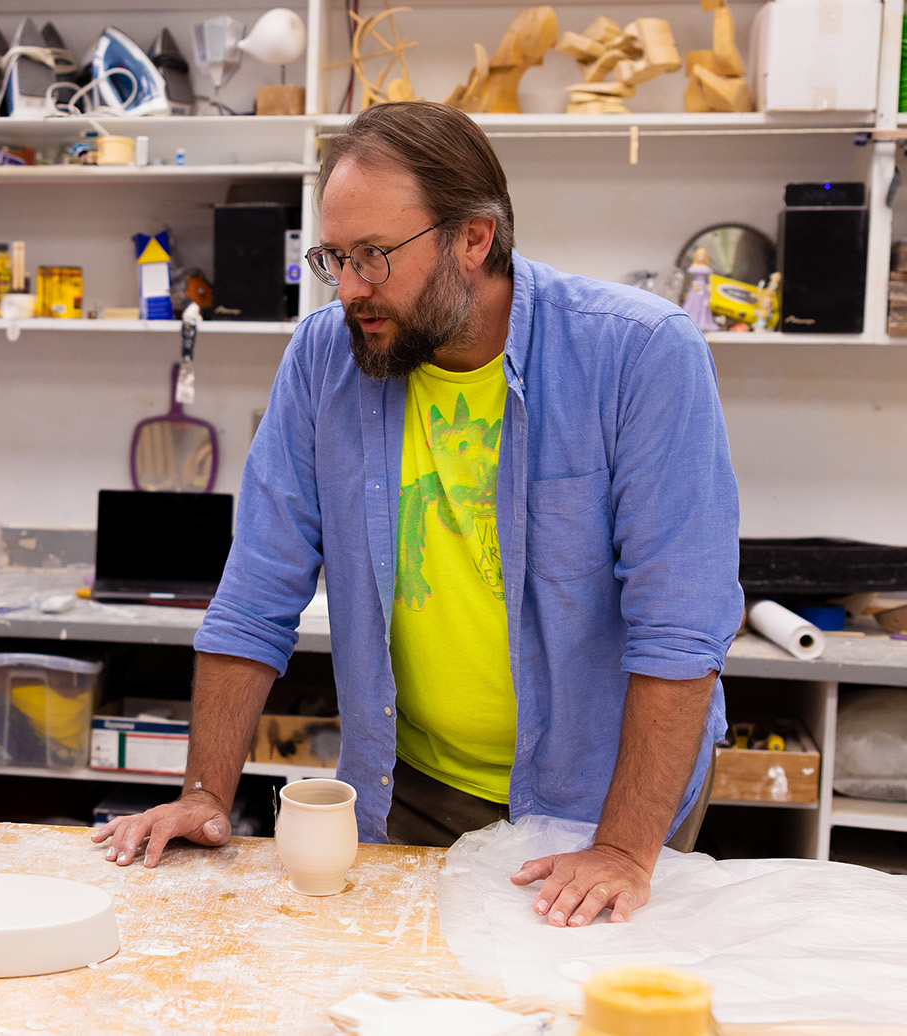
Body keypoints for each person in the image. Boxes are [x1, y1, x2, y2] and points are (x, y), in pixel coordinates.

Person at [93, 102, 741, 929]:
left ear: (474, 238)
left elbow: (681, 629)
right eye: (335, 257)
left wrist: (621, 849)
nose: (351, 287)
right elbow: (256, 598)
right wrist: (204, 794)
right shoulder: (324, 358)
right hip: (412, 785)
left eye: (375, 256)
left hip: (607, 799)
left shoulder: (639, 353)